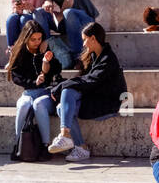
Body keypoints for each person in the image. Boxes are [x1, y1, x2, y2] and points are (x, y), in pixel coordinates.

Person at [47, 23, 126, 161]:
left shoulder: (108, 59)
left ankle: (67, 137)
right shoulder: (94, 56)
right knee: (62, 105)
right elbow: (85, 81)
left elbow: (91, 81)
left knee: (67, 93)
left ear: (93, 38)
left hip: (107, 104)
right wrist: (63, 86)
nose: (83, 44)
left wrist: (62, 86)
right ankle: (78, 146)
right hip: (94, 98)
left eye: (85, 39)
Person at [5, 21, 63, 154]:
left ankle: (45, 145)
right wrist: (33, 82)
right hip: (28, 92)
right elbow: (16, 77)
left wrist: (45, 58)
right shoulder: (20, 52)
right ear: (26, 38)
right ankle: (18, 143)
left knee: (38, 104)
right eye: (33, 39)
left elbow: (57, 68)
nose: (37, 42)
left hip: (46, 92)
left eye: (39, 38)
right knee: (24, 104)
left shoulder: (44, 49)